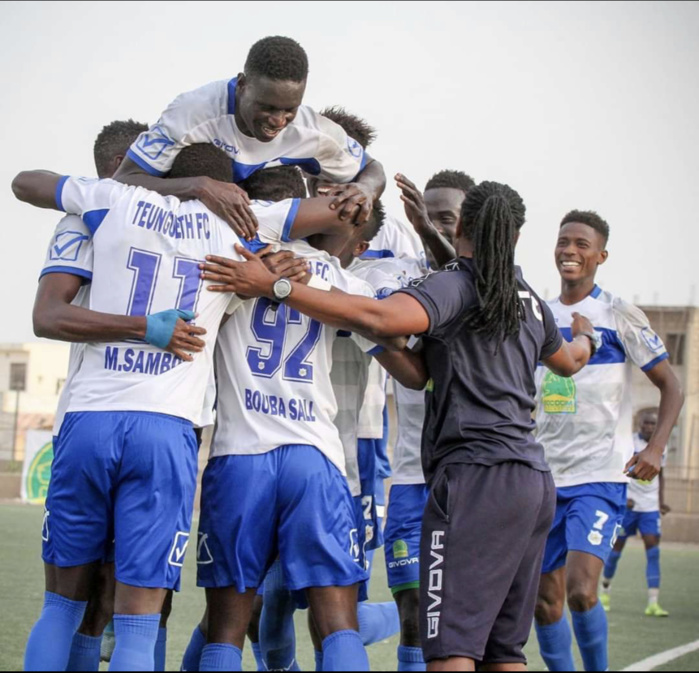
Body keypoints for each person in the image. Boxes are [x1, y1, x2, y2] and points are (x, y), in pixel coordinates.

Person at [199, 180, 598, 671]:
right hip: (532, 482)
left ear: (466, 226)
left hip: (473, 479)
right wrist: (589, 341)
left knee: (450, 648)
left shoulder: (453, 285)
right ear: (516, 237)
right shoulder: (529, 300)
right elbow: (567, 362)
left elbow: (384, 317)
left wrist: (278, 286)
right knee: (503, 650)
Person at [13, 144, 260, 672]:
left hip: (89, 417)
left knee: (62, 605)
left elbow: (25, 182)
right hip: (166, 427)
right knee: (139, 621)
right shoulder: (239, 240)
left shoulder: (101, 211)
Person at [533, 210, 684, 672]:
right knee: (544, 602)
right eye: (563, 242)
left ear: (601, 255)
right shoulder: (537, 312)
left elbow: (672, 386)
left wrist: (655, 448)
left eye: (581, 244)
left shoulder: (617, 314)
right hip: (541, 476)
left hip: (600, 475)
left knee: (581, 590)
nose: (570, 251)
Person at [114, 37, 386, 238]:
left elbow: (372, 170)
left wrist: (366, 190)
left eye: (289, 109)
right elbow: (123, 180)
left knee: (349, 207)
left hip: (260, 231)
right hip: (181, 226)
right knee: (204, 162)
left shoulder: (311, 131)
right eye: (267, 107)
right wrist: (200, 186)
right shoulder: (193, 111)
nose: (278, 121)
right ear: (242, 85)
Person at [601, 411, 671, 617]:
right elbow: (617, 469)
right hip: (629, 506)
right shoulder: (629, 443)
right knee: (616, 550)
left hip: (649, 508)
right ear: (639, 425)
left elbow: (661, 474)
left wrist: (661, 502)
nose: (650, 427)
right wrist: (623, 498)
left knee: (653, 551)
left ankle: (653, 602)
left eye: (653, 424)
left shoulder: (661, 446)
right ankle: (605, 591)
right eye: (646, 423)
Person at [395, 169, 475, 268]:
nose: (434, 227)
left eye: (446, 219)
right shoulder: (403, 273)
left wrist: (430, 234)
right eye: (425, 218)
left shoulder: (489, 276)